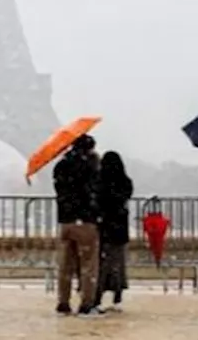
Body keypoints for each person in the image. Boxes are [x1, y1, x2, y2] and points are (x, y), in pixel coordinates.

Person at [53, 135, 102, 317]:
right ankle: (86, 303)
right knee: (88, 265)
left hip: (66, 220)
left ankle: (63, 302)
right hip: (86, 220)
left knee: (65, 264)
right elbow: (97, 191)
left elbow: (60, 190)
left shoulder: (61, 166)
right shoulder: (92, 166)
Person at [95, 151, 134, 313]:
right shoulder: (125, 181)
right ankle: (117, 294)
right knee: (118, 262)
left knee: (101, 264)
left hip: (103, 227)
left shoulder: (99, 181)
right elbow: (125, 197)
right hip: (119, 228)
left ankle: (98, 294)